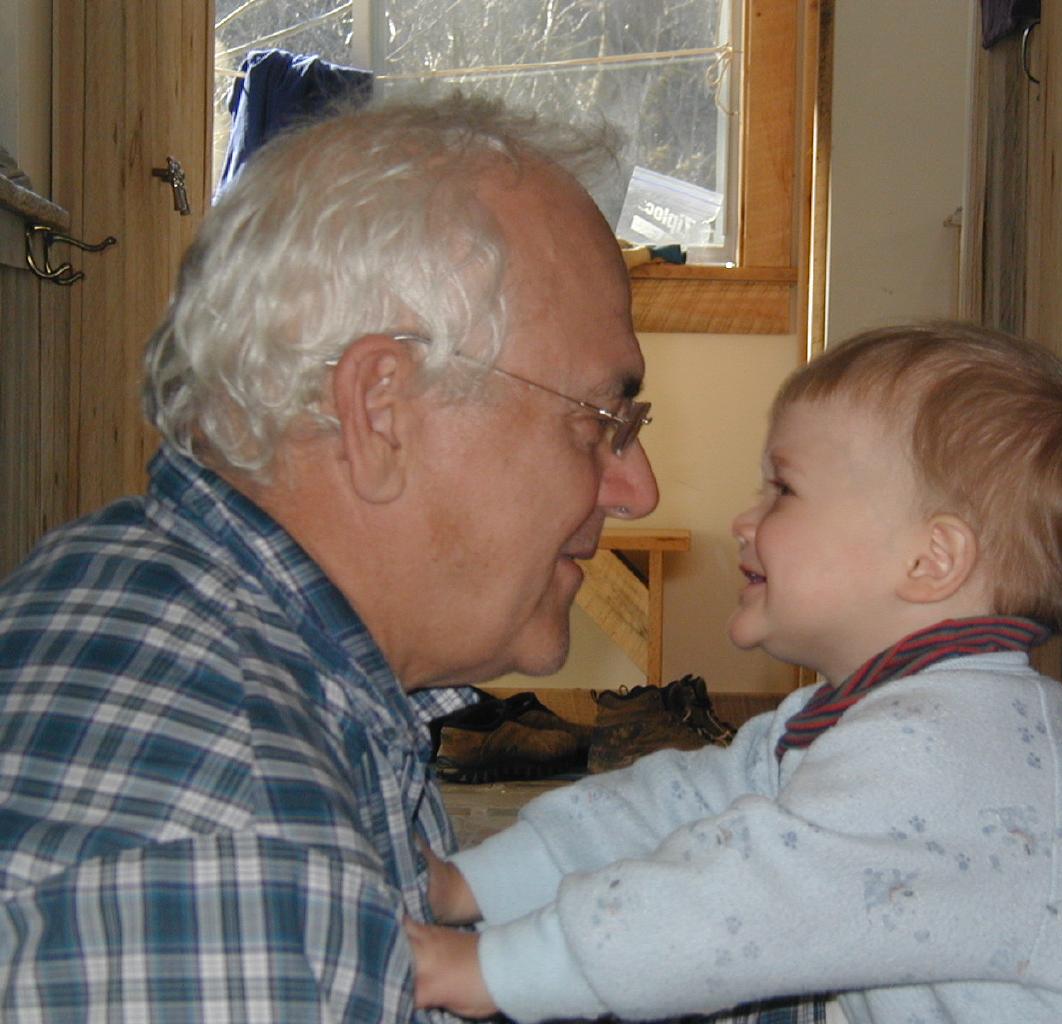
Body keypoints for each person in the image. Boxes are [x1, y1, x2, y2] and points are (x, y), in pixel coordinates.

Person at [406, 323, 1062, 1024]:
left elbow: (739, 904)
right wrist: (477, 885)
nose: (744, 518)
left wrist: (496, 972)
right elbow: (684, 805)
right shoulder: (865, 720)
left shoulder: (953, 760)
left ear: (930, 560)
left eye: (783, 487)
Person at [0, 92, 658, 1020]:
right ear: (381, 410)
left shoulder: (122, 571)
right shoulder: (246, 875)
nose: (636, 489)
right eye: (599, 419)